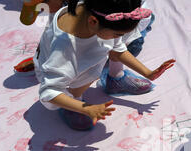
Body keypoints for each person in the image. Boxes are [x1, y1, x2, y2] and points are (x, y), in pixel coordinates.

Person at [33, 0, 175, 130]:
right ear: (93, 22)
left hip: (74, 58)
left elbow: (117, 48)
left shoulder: (93, 9)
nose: (117, 38)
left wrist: (148, 73)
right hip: (57, 74)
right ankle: (73, 102)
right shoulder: (65, 49)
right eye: (116, 34)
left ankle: (115, 80)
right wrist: (85, 108)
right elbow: (49, 92)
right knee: (90, 72)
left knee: (128, 43)